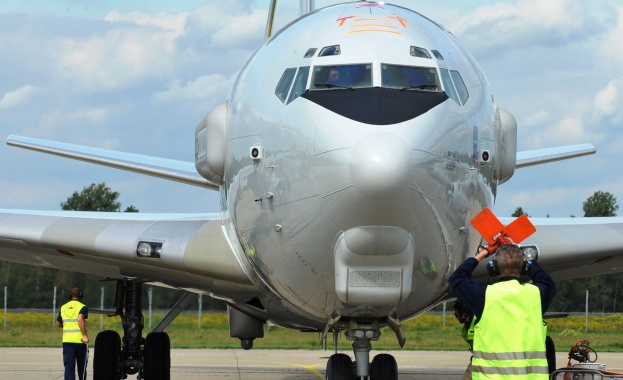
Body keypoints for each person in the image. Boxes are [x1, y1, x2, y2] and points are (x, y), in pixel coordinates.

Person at [448, 244, 556, 379]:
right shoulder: (536, 294)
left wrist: (484, 253)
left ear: (493, 268)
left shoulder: (485, 295)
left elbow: (456, 279)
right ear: (524, 267)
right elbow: (547, 282)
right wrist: (528, 260)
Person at [56, 286, 89, 380]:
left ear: (70, 295)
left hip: (67, 341)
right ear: (81, 295)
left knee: (69, 367)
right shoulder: (83, 307)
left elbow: (58, 324)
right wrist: (85, 335)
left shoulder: (63, 307)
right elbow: (80, 319)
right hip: (79, 341)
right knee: (81, 367)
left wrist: (67, 325)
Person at [453, 301, 475, 380]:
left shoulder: (478, 322)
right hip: (478, 358)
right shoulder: (466, 328)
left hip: (485, 360)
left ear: (463, 314)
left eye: (456, 315)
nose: (456, 318)